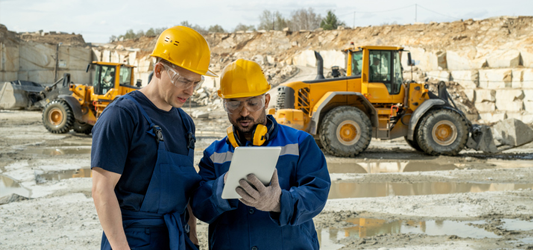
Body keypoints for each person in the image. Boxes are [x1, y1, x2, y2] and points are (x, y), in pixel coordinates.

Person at [91, 26, 216, 250]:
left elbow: (185, 189)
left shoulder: (186, 123)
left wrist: (193, 234)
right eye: (184, 80)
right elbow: (102, 188)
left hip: (176, 238)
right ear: (158, 70)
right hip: (133, 239)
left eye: (196, 83)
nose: (190, 91)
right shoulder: (123, 115)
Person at [191, 59, 331, 250]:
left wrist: (279, 202)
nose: (244, 112)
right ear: (224, 104)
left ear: (265, 100)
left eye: (252, 102)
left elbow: (317, 193)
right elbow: (200, 207)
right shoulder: (214, 154)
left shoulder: (300, 143)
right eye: (234, 104)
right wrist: (222, 188)